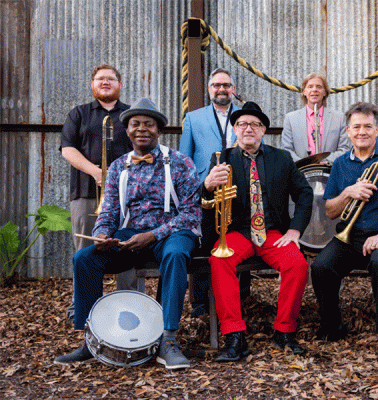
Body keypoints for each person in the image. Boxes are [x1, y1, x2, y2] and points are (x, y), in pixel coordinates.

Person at [54, 98, 203, 369]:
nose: (142, 129)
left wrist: (154, 235)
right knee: (85, 259)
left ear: (159, 130)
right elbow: (108, 212)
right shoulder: (118, 167)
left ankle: (168, 339)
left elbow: (191, 214)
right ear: (128, 130)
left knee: (176, 254)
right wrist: (101, 236)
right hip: (131, 234)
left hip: (173, 231)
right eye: (135, 124)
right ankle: (91, 340)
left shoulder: (181, 162)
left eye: (149, 124)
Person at [203, 102, 313, 362]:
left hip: (273, 233)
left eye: (254, 124)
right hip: (238, 232)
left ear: (263, 130)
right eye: (242, 124)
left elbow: (305, 193)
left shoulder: (281, 158)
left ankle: (284, 331)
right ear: (235, 130)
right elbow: (206, 198)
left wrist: (296, 231)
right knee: (219, 260)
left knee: (297, 265)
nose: (248, 129)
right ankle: (234, 336)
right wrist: (207, 185)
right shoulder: (222, 158)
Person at [311, 102, 378, 359]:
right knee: (321, 266)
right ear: (348, 131)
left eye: (368, 126)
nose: (362, 132)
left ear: (376, 130)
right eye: (356, 127)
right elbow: (330, 211)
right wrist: (347, 193)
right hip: (350, 236)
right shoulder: (340, 165)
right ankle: (332, 326)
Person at [59, 64, 136, 322]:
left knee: (127, 245)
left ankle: (130, 304)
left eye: (111, 79)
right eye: (100, 79)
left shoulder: (131, 114)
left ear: (119, 85)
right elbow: (67, 149)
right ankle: (83, 309)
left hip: (128, 194)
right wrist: (95, 171)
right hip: (86, 192)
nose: (105, 82)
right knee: (84, 249)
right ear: (92, 84)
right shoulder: (78, 114)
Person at [179, 68, 248, 318]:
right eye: (216, 85)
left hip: (237, 187)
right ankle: (199, 302)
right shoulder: (193, 118)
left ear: (233, 89)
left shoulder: (243, 116)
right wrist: (193, 189)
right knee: (204, 242)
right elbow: (185, 159)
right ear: (209, 90)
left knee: (239, 238)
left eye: (226, 85)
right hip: (204, 188)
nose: (221, 89)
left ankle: (240, 296)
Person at [281, 73, 351, 165]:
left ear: (325, 92)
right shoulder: (290, 118)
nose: (314, 90)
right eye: (310, 87)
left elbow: (345, 149)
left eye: (319, 87)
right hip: (301, 172)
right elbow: (286, 150)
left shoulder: (339, 118)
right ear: (304, 91)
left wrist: (325, 160)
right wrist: (306, 163)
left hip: (330, 171)